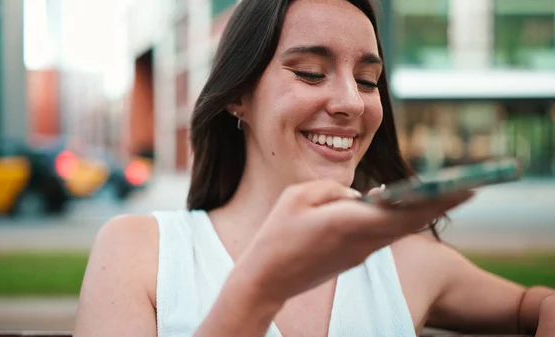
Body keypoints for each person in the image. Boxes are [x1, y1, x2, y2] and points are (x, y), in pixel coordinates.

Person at [73, 0, 555, 336]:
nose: (352, 102)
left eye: (368, 81)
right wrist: (261, 287)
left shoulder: (407, 259)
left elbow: (529, 304)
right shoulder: (139, 252)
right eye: (309, 73)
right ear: (238, 96)